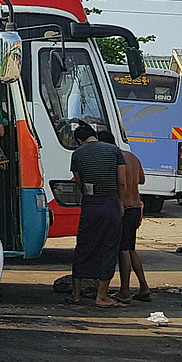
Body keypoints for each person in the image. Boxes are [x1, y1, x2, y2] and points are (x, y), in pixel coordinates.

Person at [68, 123, 128, 308]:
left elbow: (79, 182)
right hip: (110, 204)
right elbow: (122, 182)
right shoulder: (114, 151)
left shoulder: (77, 154)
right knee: (108, 249)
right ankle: (101, 296)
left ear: (79, 140)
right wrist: (120, 203)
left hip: (90, 205)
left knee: (83, 248)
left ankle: (76, 294)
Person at [97, 130, 153, 302]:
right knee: (130, 248)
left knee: (123, 250)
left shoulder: (113, 158)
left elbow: (120, 182)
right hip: (136, 207)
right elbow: (142, 179)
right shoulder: (132, 157)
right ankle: (143, 287)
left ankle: (125, 291)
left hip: (123, 208)